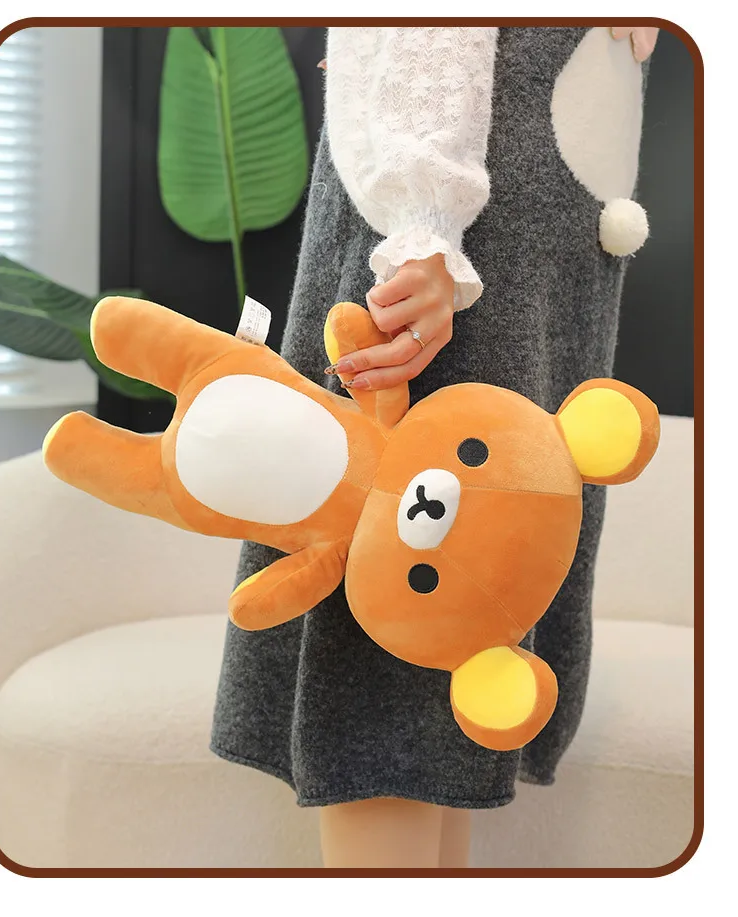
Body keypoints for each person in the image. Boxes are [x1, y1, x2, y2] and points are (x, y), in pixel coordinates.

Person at [211, 25, 659, 869]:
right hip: (449, 197)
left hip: (515, 200)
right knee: (406, 627)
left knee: (462, 628)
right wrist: (424, 223)